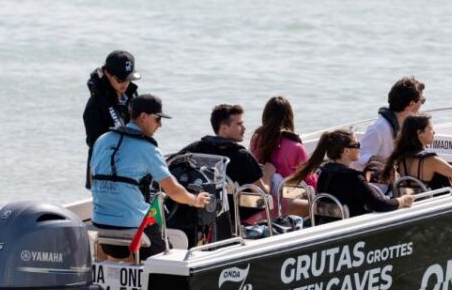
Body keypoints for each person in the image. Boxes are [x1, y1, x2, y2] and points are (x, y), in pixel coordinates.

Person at [90, 94, 209, 260]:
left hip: (99, 222)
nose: (160, 125)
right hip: (133, 225)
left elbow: (92, 177)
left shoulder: (102, 140)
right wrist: (196, 200)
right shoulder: (147, 148)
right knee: (166, 256)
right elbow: (173, 190)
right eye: (158, 119)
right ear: (144, 116)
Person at [174, 104, 275, 239]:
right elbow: (263, 194)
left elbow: (171, 166)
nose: (244, 128)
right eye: (239, 124)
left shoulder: (194, 148)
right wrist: (268, 174)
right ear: (224, 128)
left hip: (199, 217)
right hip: (235, 220)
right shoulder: (243, 156)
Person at [290, 130, 413, 217]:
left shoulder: (323, 173)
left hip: (331, 225)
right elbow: (379, 204)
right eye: (357, 145)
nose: (360, 148)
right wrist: (402, 200)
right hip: (353, 228)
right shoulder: (354, 178)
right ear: (346, 151)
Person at [84, 50, 141, 188]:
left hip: (131, 169)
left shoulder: (132, 96)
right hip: (104, 172)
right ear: (107, 73)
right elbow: (96, 145)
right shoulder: (95, 105)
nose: (125, 84)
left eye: (129, 78)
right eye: (120, 79)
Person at [357, 76, 425, 170]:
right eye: (422, 101)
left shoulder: (407, 127)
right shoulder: (378, 128)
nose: (422, 105)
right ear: (411, 104)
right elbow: (359, 157)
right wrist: (382, 161)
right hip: (380, 183)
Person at [249, 96, 317, 188]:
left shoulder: (256, 140)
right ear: (290, 118)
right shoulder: (296, 147)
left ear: (265, 117)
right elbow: (311, 183)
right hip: (287, 200)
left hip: (263, 198)